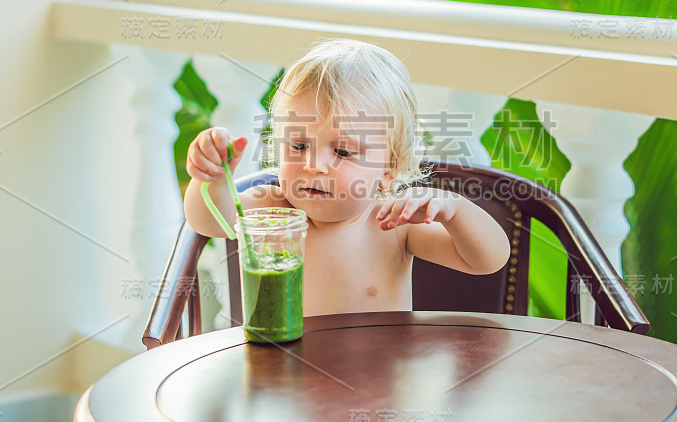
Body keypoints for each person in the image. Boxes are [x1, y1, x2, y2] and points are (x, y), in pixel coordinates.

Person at [184, 38, 510, 317]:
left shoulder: (392, 225)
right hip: (284, 383)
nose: (315, 165)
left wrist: (455, 209)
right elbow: (211, 220)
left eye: (342, 151)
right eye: (298, 145)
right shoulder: (274, 210)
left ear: (390, 167)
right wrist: (210, 178)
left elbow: (487, 260)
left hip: (378, 385)